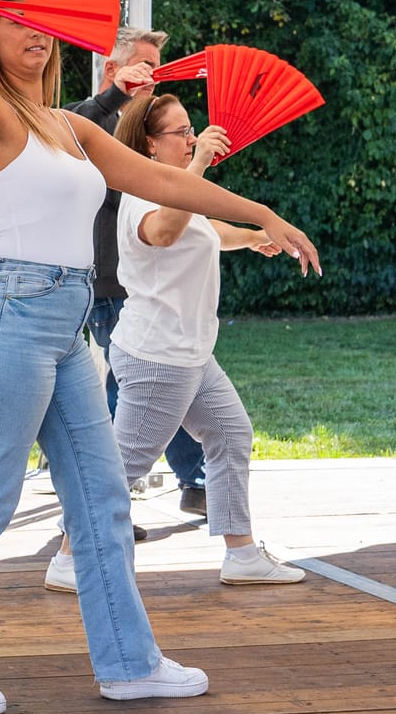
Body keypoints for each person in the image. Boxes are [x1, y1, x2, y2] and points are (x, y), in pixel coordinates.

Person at [0, 0, 319, 714]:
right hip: (10, 318)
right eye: (15, 19)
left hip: (66, 322)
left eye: (41, 23)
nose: (35, 34)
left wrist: (261, 214)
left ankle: (129, 661)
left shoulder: (70, 127)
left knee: (103, 499)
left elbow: (164, 182)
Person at [45, 94, 305, 591]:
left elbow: (204, 227)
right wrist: (202, 161)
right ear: (149, 143)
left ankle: (242, 553)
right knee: (123, 465)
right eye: (181, 133)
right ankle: (68, 555)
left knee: (231, 435)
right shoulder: (142, 194)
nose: (191, 139)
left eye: (192, 131)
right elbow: (165, 231)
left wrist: (250, 237)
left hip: (189, 351)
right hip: (158, 355)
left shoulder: (180, 192)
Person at [66, 26, 209, 519]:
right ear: (114, 69)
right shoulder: (96, 119)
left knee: (170, 385)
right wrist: (113, 95)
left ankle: (192, 481)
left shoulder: (149, 128)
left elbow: (180, 207)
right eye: (147, 67)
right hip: (110, 284)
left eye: (158, 67)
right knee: (131, 394)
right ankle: (100, 511)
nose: (156, 77)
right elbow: (68, 131)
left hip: (146, 285)